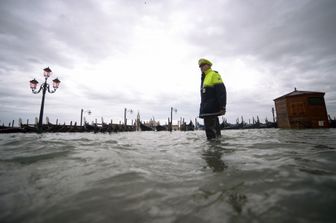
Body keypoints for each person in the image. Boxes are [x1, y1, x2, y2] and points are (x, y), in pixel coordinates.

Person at [198, 58, 227, 139]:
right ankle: (217, 149)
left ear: (208, 65)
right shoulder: (204, 77)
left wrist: (222, 107)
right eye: (200, 66)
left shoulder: (214, 74)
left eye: (203, 65)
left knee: (211, 135)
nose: (201, 67)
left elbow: (221, 91)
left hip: (211, 110)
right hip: (207, 109)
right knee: (216, 135)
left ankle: (212, 151)